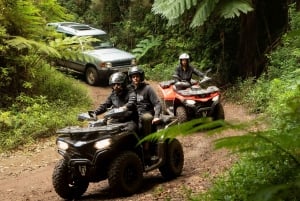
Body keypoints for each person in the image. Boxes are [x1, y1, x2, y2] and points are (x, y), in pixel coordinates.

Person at [127, 66, 162, 137]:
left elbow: (157, 103)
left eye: (137, 76)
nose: (135, 78)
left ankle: (146, 145)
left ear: (141, 77)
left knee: (144, 121)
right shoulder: (129, 89)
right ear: (131, 78)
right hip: (133, 114)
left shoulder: (147, 88)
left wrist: (156, 116)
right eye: (133, 77)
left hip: (145, 113)